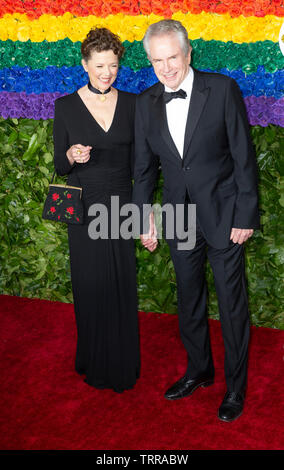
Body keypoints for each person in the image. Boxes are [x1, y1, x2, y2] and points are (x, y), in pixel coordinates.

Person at [133, 19, 260, 421]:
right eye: (157, 61)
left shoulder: (221, 89)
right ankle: (199, 370)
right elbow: (144, 169)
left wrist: (245, 214)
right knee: (189, 299)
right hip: (178, 216)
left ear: (189, 54)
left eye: (173, 57)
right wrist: (142, 218)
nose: (166, 68)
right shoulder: (146, 102)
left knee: (231, 303)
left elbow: (243, 157)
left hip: (224, 215)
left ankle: (235, 387)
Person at [53, 27, 140, 393]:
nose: (107, 73)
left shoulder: (134, 104)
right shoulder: (66, 106)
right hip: (85, 209)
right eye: (100, 65)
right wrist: (72, 155)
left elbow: (142, 163)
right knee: (90, 285)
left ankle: (121, 362)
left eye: (113, 66)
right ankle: (91, 357)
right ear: (85, 64)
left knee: (120, 283)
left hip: (121, 206)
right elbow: (60, 164)